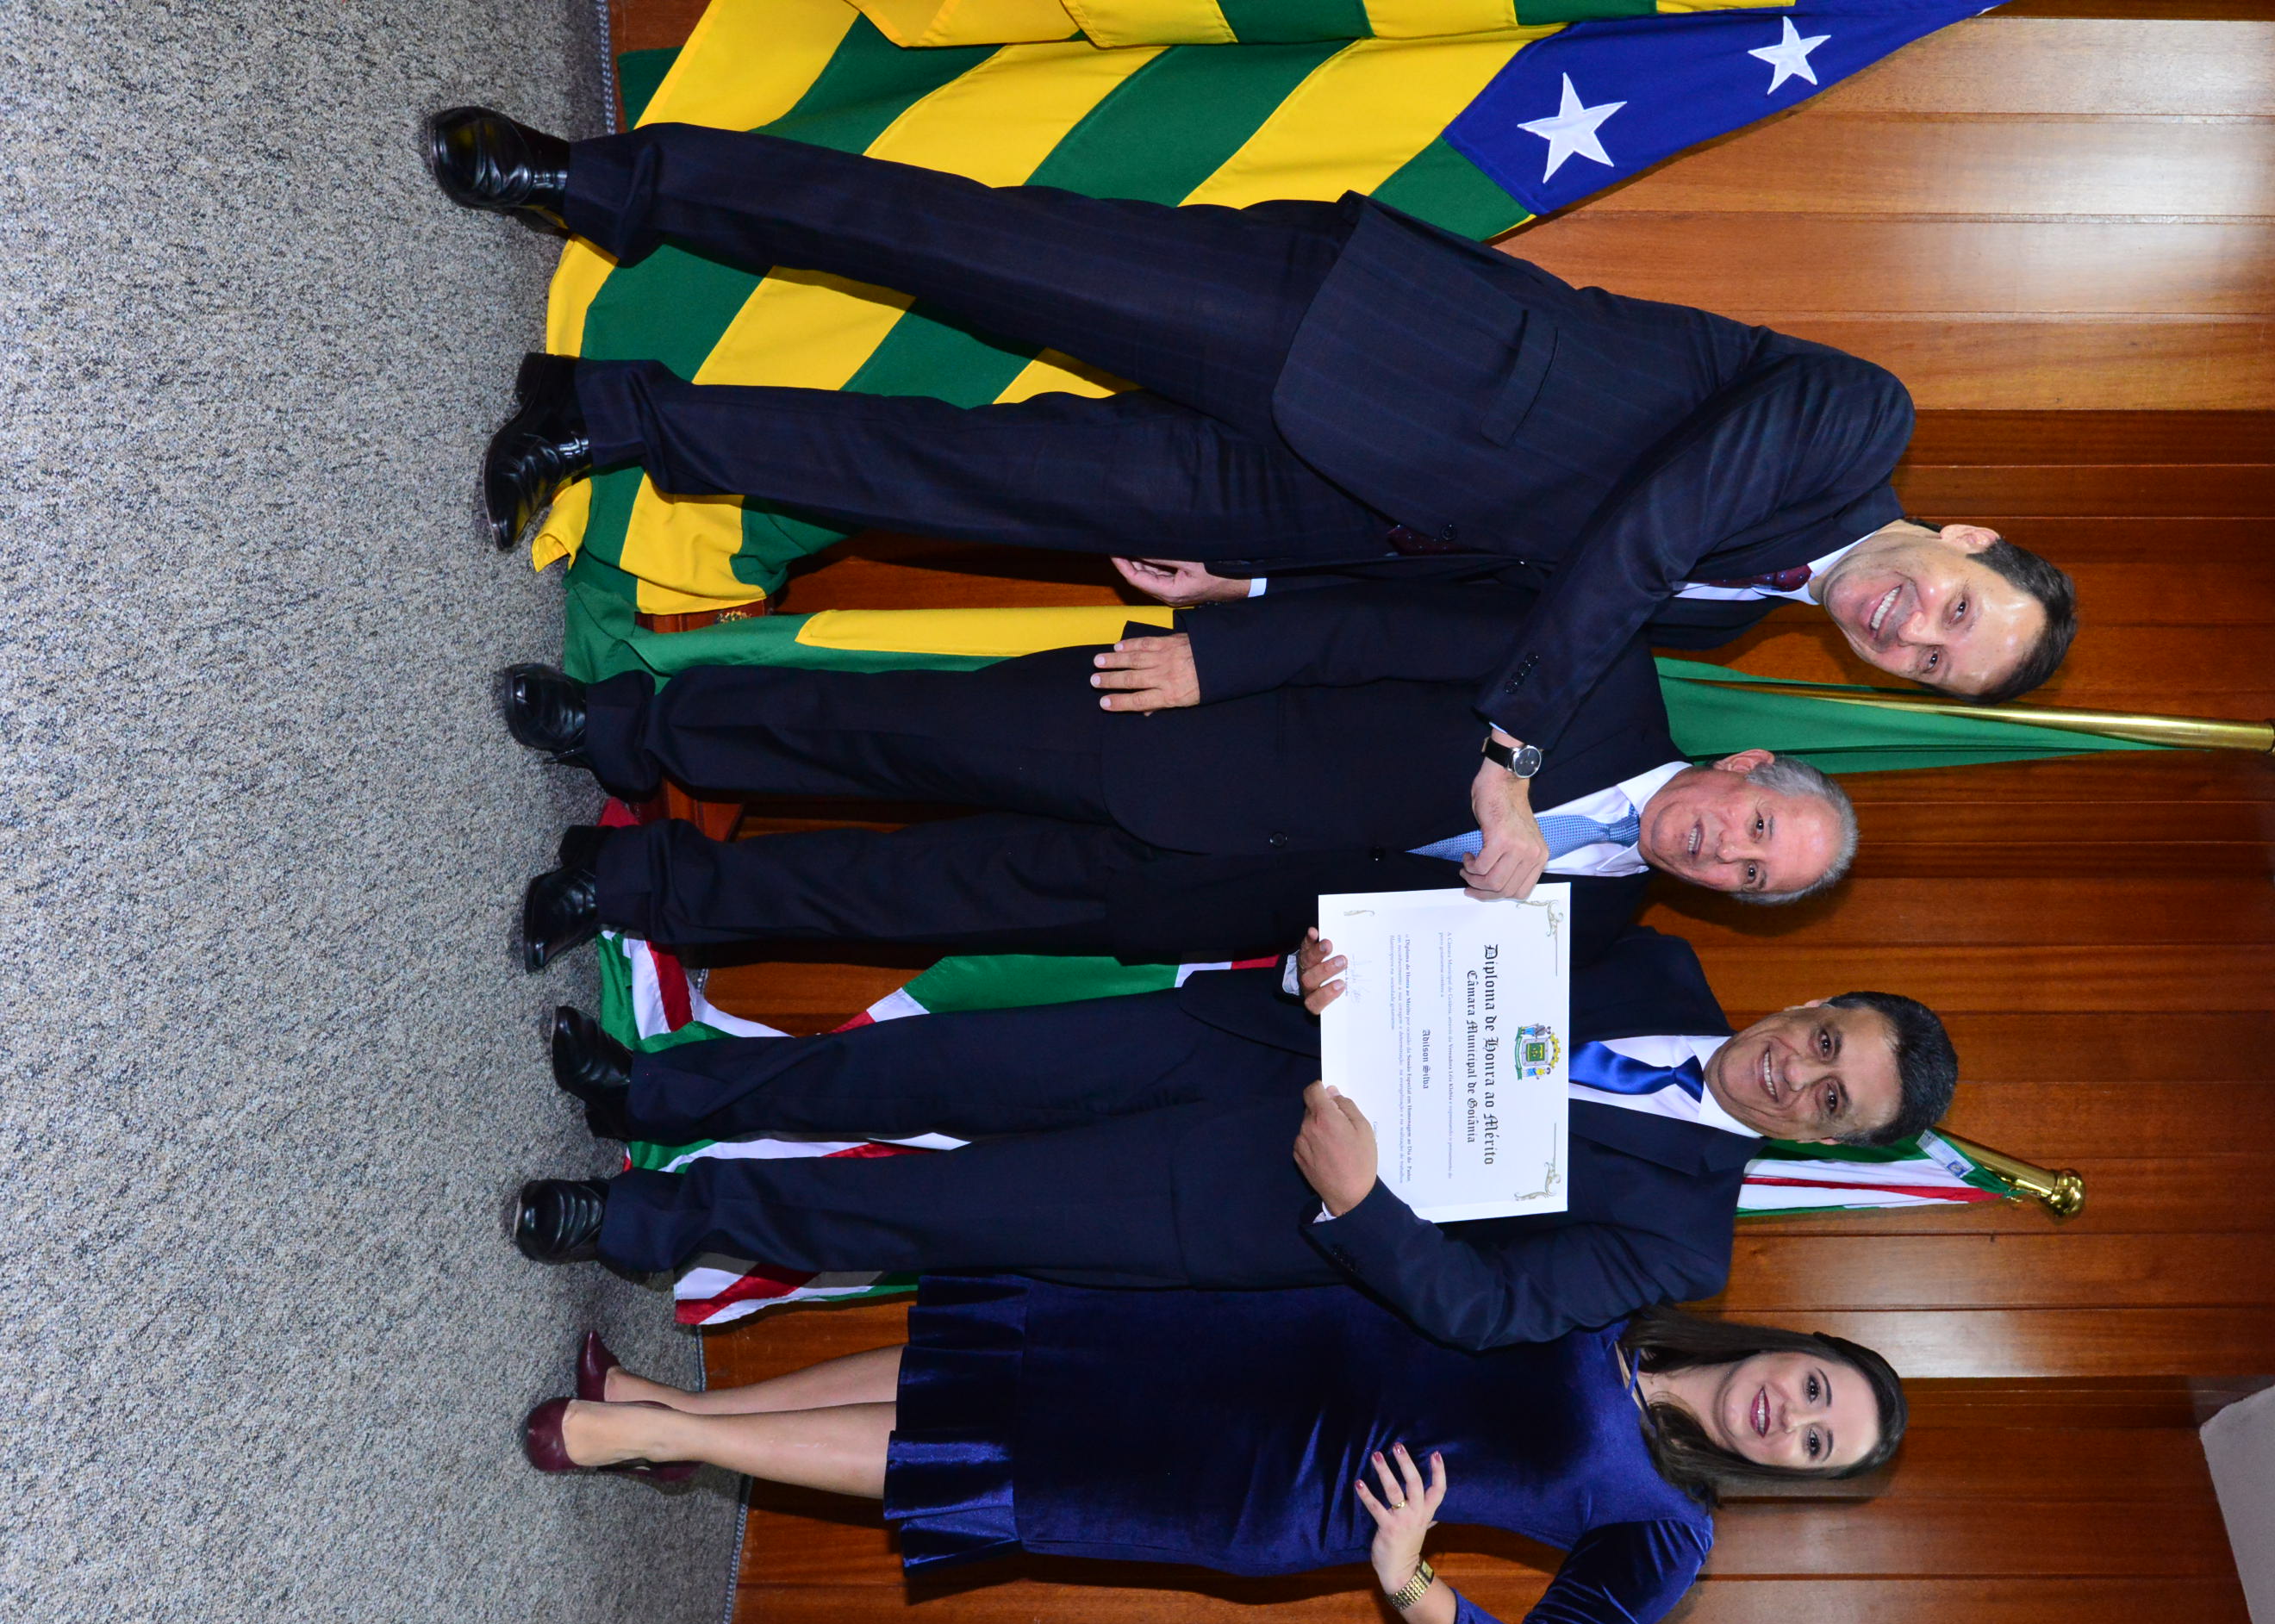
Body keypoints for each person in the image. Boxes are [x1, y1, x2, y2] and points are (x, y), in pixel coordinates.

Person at [423, 109, 2078, 904]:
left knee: (968, 481)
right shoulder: (1858, 420)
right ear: (1965, 541)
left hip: (1314, 510)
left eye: (1934, 663)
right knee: (967, 248)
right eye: (1956, 607)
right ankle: (600, 181)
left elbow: (1497, 590)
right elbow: (1652, 514)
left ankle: (608, 418)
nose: (1912, 630)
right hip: (1347, 333)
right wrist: (1512, 744)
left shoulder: (1742, 618)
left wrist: (1258, 594)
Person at [515, 922, 1957, 1351]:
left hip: (1234, 1202)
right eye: (1830, 1039)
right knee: (923, 1065)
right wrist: (1323, 963)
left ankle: (639, 1223)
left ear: (1830, 1146)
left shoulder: (1680, 1243)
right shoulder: (1653, 958)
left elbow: (1489, 1309)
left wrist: (1365, 1200)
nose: (1801, 1074)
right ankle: (653, 1094)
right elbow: (1433, 913)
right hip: (1231, 1039)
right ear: (1815, 1000)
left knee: (925, 1213)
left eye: (1833, 1102)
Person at [522, 1285, 1908, 1624]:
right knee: (969, 1367)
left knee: (979, 1456)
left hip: (1273, 1484)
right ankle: (682, 1420)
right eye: (1815, 1388)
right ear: (1793, 1347)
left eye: (1816, 1443)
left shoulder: (1672, 1534)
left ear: (1798, 1476)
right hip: (1262, 1330)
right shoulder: (1639, 1297)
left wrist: (1412, 1578)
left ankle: (642, 1432)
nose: (1789, 1416)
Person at [502, 584, 1857, 974]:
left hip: (1189, 899)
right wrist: (1219, 655)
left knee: (896, 895)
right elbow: (1387, 626)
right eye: (1754, 823)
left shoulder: (1596, 928)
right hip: (1189, 728)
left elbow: (1398, 978)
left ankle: (631, 887)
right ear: (1744, 764)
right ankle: (621, 729)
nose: (1723, 853)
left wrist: (1324, 978)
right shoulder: (1608, 674)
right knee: (890, 731)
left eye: (1751, 876)